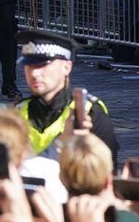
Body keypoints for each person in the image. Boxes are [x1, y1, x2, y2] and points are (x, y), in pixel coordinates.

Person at [15, 29, 119, 166]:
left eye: (43, 65)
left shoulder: (90, 112)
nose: (35, 73)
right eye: (29, 66)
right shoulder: (17, 112)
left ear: (66, 67)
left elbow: (108, 171)